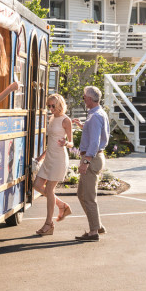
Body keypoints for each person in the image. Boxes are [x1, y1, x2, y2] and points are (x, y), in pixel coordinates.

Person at [72, 85, 110, 242]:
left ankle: (94, 231)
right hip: (94, 157)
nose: (83, 99)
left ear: (90, 99)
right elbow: (97, 135)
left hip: (91, 158)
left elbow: (94, 142)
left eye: (84, 97)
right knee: (82, 194)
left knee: (88, 197)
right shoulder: (98, 114)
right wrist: (83, 127)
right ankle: (97, 225)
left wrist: (85, 162)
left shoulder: (94, 117)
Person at [32, 93, 73, 236]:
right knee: (37, 185)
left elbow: (72, 143)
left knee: (49, 189)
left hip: (59, 159)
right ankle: (62, 205)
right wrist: (41, 157)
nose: (50, 108)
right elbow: (50, 142)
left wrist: (66, 143)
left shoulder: (66, 120)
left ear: (60, 104)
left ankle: (48, 224)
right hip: (49, 158)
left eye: (53, 105)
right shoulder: (51, 118)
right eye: (48, 106)